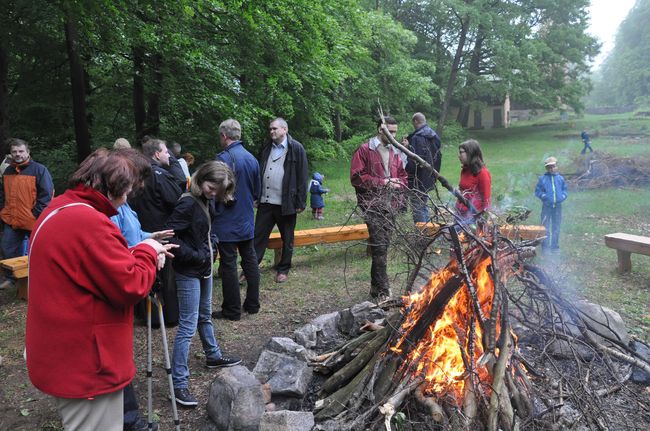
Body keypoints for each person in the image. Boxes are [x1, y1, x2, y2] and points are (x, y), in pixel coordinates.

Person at [25, 148, 176, 431]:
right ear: (117, 185)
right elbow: (130, 286)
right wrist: (147, 250)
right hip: (86, 364)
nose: (128, 198)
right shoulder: (89, 223)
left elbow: (91, 269)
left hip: (60, 352)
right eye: (129, 190)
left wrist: (135, 251)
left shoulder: (59, 208)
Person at [165, 161, 242, 407]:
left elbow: (207, 230)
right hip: (189, 270)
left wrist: (214, 245)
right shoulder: (187, 202)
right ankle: (178, 384)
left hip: (205, 267)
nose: (214, 193)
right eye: (211, 187)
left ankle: (213, 356)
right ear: (201, 180)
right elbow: (172, 236)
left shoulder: (208, 201)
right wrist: (197, 255)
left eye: (218, 191)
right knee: (188, 325)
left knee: (205, 315)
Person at [350, 116, 408, 298]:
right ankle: (384, 289)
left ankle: (375, 288)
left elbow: (403, 175)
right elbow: (357, 178)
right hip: (371, 205)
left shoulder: (395, 151)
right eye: (389, 131)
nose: (392, 135)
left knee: (382, 247)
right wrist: (383, 182)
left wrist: (400, 184)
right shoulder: (365, 149)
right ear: (379, 130)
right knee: (380, 247)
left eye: (395, 131)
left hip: (391, 205)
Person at [212, 119, 261, 321]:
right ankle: (253, 304)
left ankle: (232, 310)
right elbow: (257, 191)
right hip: (247, 219)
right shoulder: (252, 159)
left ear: (224, 136)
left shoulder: (222, 159)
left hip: (226, 221)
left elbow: (214, 191)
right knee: (250, 260)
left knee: (229, 264)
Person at [130, 138, 183, 326]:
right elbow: (177, 200)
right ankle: (167, 316)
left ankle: (147, 315)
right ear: (157, 154)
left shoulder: (135, 175)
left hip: (140, 234)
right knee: (165, 276)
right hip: (160, 234)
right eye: (166, 151)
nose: (169, 155)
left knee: (145, 273)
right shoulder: (159, 175)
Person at [253, 118, 308, 283]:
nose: (271, 132)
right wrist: (257, 195)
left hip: (286, 203)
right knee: (258, 237)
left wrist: (301, 202)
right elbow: (259, 171)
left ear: (285, 130)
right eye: (270, 129)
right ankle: (251, 268)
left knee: (287, 238)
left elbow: (302, 176)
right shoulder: (266, 147)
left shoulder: (296, 148)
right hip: (266, 202)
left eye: (275, 129)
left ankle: (283, 268)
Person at [0, 138, 54, 288]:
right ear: (10, 154)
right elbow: (3, 194)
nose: (18, 154)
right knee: (8, 249)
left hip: (32, 220)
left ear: (27, 152)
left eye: (21, 151)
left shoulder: (39, 169)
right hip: (11, 220)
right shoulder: (8, 170)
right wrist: (3, 211)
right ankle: (12, 279)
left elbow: (47, 195)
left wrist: (35, 214)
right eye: (14, 151)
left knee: (39, 250)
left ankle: (41, 280)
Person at [405, 113, 441, 222]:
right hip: (429, 176)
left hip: (418, 178)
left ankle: (422, 235)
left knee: (417, 208)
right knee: (423, 205)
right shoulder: (434, 135)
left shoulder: (417, 138)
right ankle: (428, 231)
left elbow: (415, 160)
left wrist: (406, 149)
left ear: (416, 121)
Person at [535, 156, 568, 251]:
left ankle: (554, 246)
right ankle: (545, 247)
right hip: (546, 207)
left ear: (556, 166)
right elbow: (538, 191)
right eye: (549, 167)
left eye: (553, 166)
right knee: (545, 227)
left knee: (556, 226)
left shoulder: (560, 179)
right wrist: (544, 196)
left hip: (557, 206)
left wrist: (563, 196)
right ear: (546, 168)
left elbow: (565, 190)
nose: (551, 169)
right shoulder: (543, 179)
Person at [455, 139, 491, 223]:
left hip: (473, 217)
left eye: (461, 152)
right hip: (460, 214)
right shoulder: (465, 170)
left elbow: (486, 200)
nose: (459, 156)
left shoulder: (483, 173)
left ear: (470, 153)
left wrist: (482, 220)